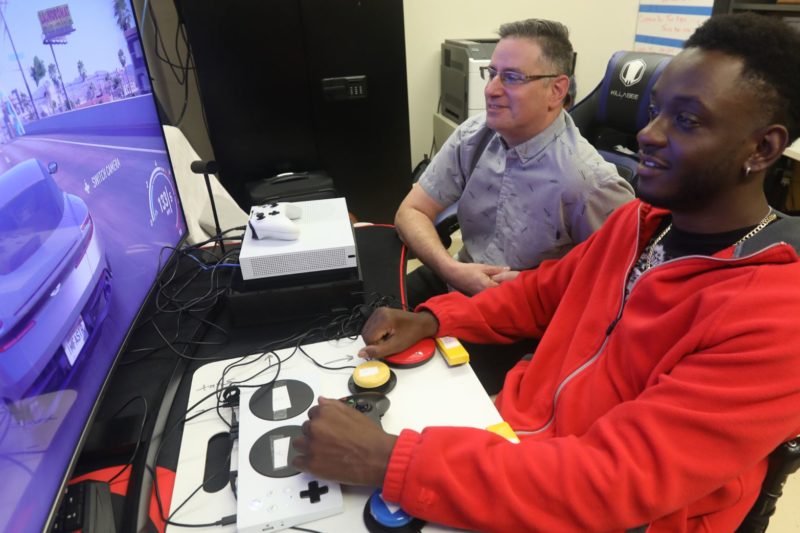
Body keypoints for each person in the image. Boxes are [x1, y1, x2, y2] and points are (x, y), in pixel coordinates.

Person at [292, 13, 800, 531]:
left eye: (686, 121)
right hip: (520, 439)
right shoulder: (638, 224)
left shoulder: (776, 317)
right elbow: (538, 295)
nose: (649, 133)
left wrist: (386, 461)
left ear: (762, 149)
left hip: (603, 506)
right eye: (655, 111)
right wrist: (435, 320)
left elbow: (613, 481)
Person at [399, 18, 634, 309]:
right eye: (492, 74)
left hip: (521, 309)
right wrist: (451, 269)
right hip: (458, 275)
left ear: (557, 90)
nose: (491, 90)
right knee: (364, 315)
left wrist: (531, 286)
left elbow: (616, 281)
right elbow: (410, 210)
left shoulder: (589, 182)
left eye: (511, 77)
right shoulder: (475, 134)